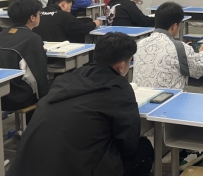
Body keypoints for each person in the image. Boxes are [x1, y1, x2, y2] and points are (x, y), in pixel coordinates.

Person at [7, 33, 154, 176]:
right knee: (144, 148)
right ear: (121, 66)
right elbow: (128, 142)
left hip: (24, 168)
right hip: (77, 170)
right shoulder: (119, 89)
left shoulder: (65, 80)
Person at [133, 2, 203, 91]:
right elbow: (201, 68)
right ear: (174, 26)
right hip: (168, 98)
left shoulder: (139, 44)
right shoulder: (179, 48)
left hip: (140, 97)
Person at [0, 0, 49, 112]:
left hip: (2, 96)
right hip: (18, 98)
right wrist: (45, 98)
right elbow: (38, 75)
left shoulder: (2, 35)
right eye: (39, 14)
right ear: (32, 18)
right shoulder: (33, 39)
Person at [33, 0, 101, 43]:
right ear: (63, 4)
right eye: (70, 6)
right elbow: (81, 29)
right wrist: (94, 24)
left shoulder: (38, 13)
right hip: (60, 49)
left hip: (40, 48)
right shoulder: (64, 15)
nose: (70, 10)